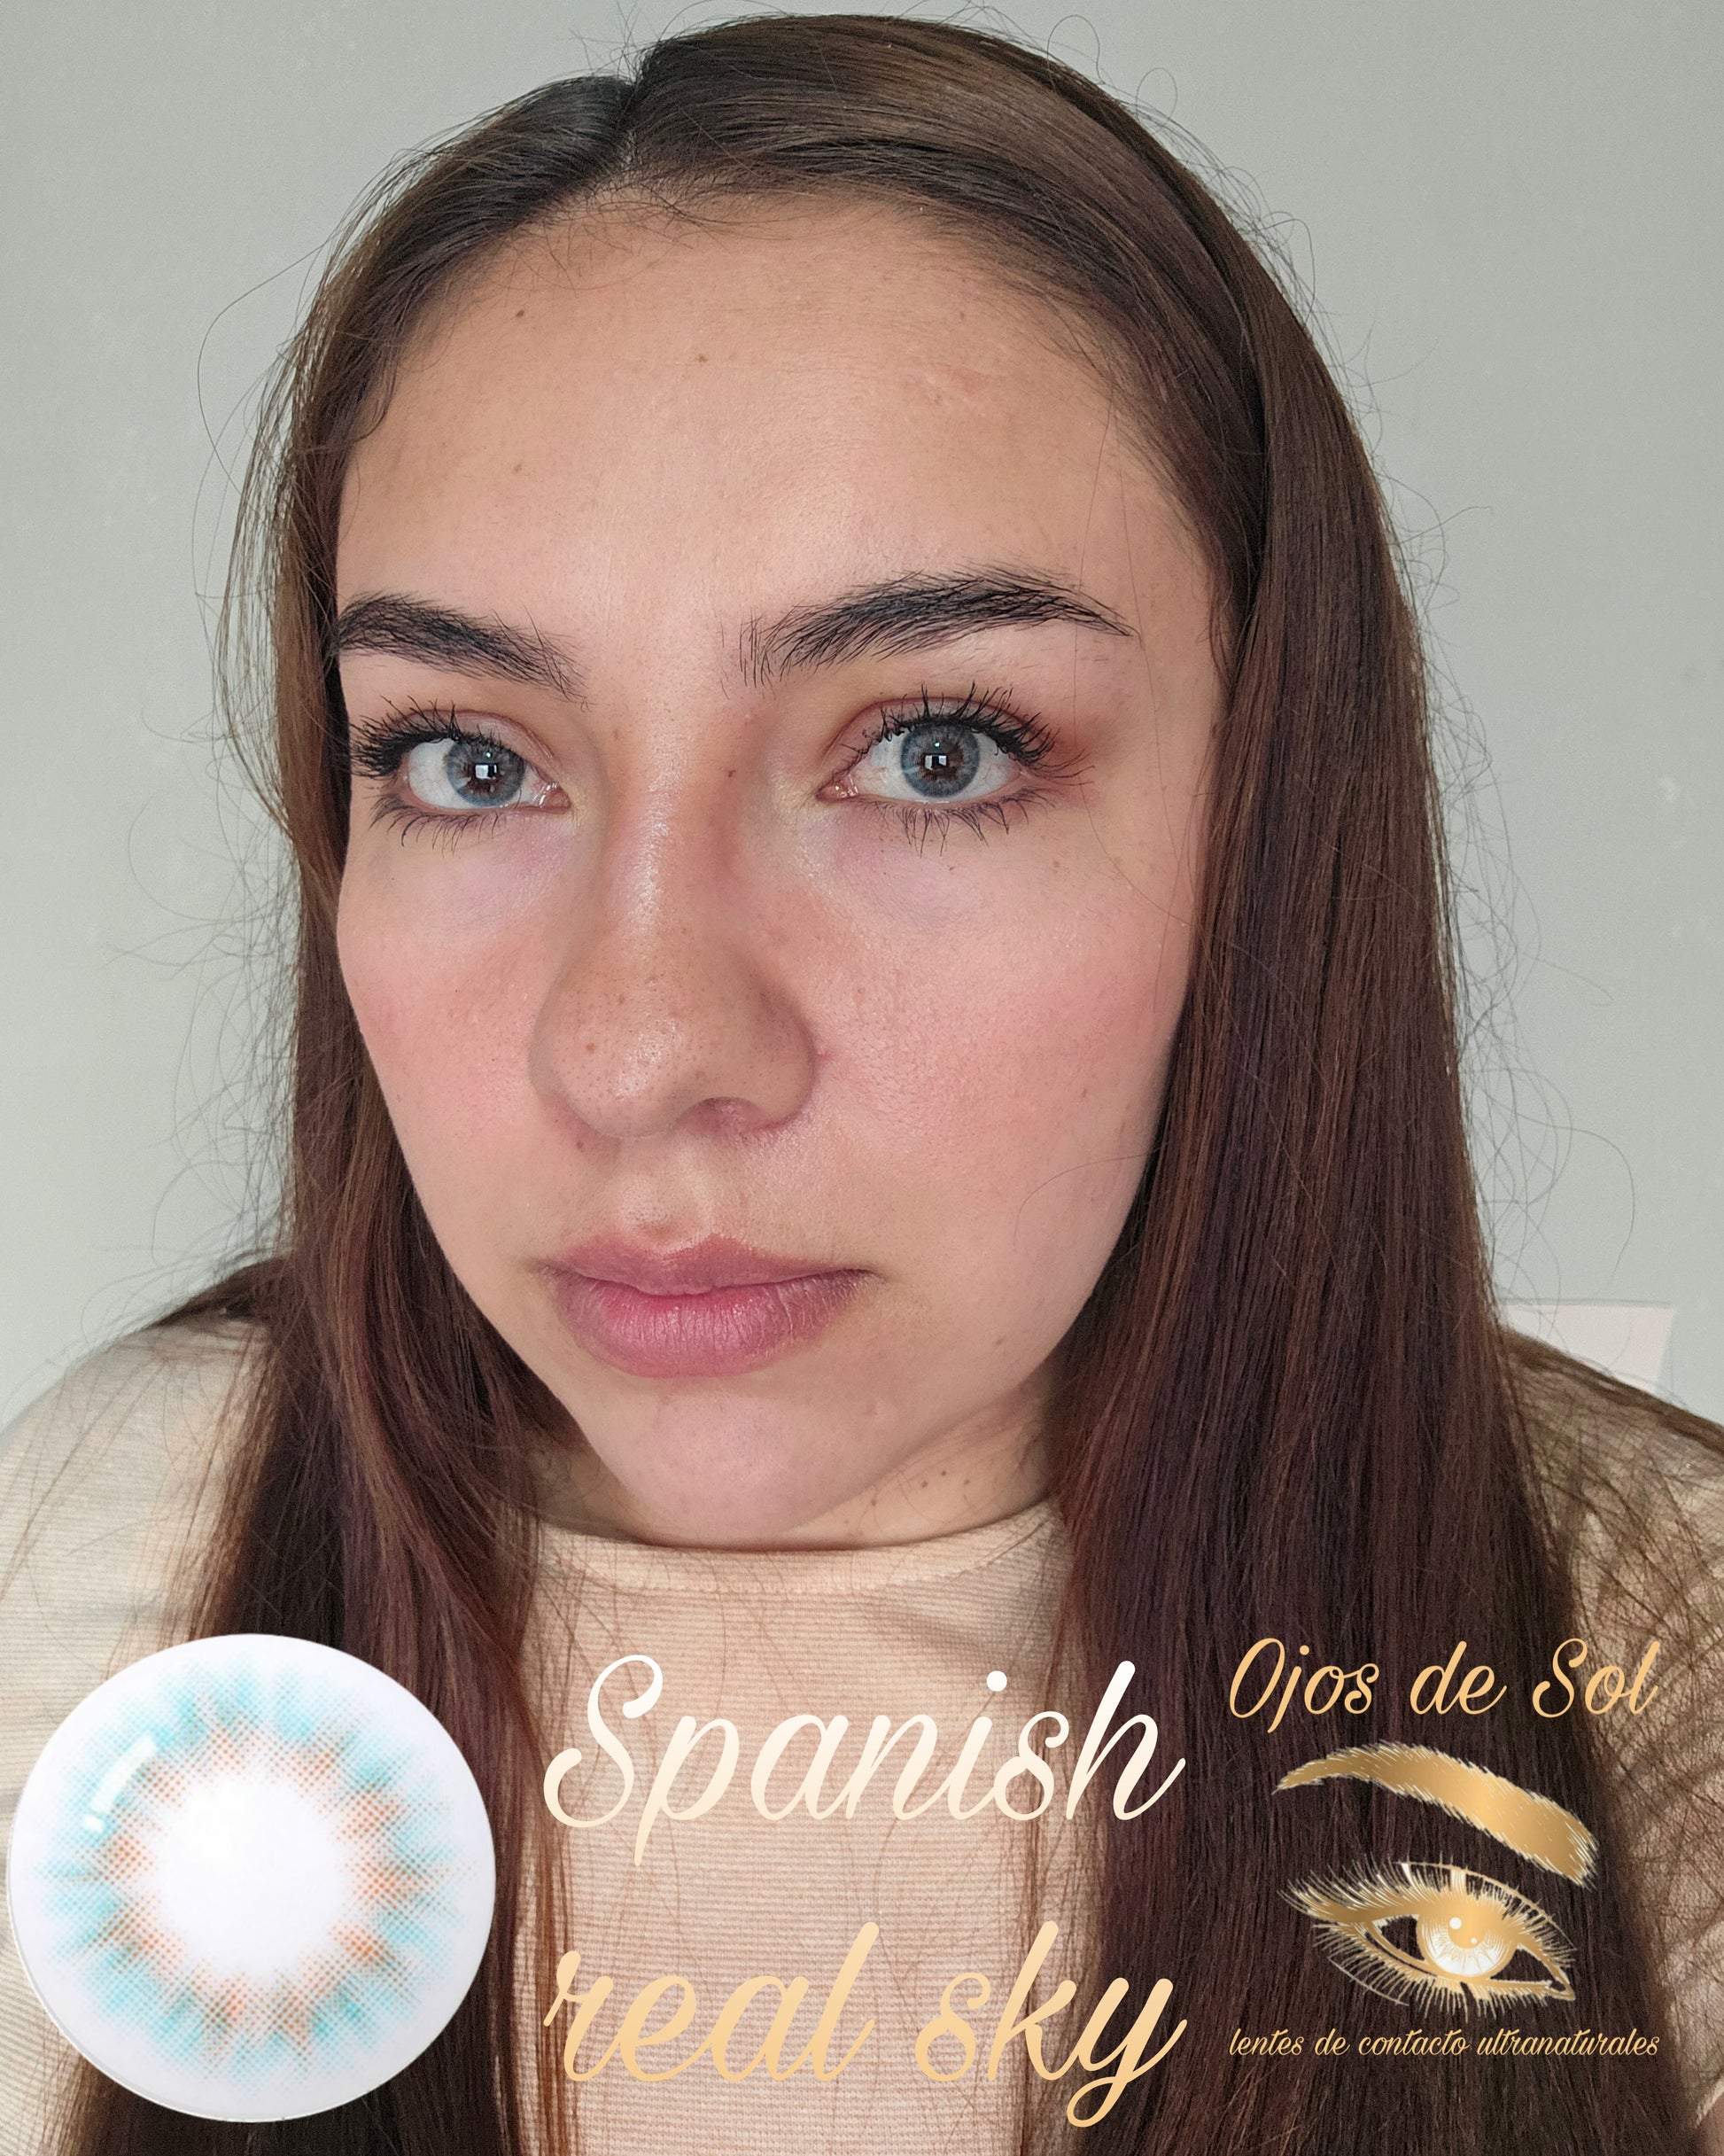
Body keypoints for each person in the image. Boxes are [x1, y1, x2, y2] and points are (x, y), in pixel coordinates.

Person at [2, 16, 1720, 2155]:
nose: (640, 1048)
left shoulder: (1657, 1681)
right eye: (468, 759)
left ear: (1269, 823)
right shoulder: (102, 1553)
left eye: (936, 750)